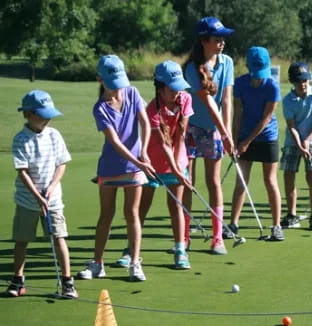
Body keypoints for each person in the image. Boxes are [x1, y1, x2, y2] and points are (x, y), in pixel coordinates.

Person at [77, 55, 154, 282]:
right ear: (100, 79)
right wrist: (140, 162)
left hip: (134, 167)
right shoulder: (100, 108)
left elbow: (145, 122)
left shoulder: (132, 92)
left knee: (132, 214)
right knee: (106, 215)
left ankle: (134, 263)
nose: (119, 89)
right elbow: (115, 142)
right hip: (111, 167)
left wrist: (145, 151)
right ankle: (97, 264)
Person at [121, 61, 193, 270]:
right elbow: (162, 144)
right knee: (142, 208)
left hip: (177, 161)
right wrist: (176, 168)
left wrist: (180, 168)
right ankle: (130, 249)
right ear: (160, 88)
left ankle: (180, 250)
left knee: (176, 206)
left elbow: (180, 138)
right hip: (152, 164)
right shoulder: (151, 109)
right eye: (172, 89)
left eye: (179, 87)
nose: (177, 93)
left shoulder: (185, 99)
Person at [6, 90, 77, 298]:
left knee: (59, 238)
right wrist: (37, 195)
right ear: (28, 114)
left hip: (53, 200)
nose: (46, 119)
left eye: (49, 116)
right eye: (42, 115)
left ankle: (67, 281)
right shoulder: (21, 139)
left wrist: (52, 187)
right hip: (27, 200)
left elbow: (61, 164)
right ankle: (17, 280)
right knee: (22, 240)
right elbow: (23, 172)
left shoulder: (54, 135)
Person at [183, 17, 235, 254]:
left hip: (214, 129)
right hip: (190, 128)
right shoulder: (192, 68)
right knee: (188, 183)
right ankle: (183, 236)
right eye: (217, 39)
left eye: (223, 38)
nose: (222, 42)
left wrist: (228, 131)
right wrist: (225, 134)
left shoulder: (227, 62)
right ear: (204, 41)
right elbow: (207, 102)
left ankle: (217, 237)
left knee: (213, 181)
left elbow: (226, 100)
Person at [223, 46, 284, 241]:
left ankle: (276, 226)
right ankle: (233, 224)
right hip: (243, 136)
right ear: (248, 67)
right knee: (241, 180)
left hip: (267, 137)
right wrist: (234, 140)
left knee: (270, 181)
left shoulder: (272, 86)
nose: (258, 78)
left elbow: (266, 118)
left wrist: (247, 142)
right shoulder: (240, 84)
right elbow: (237, 113)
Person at [280, 62, 312, 231]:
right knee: (289, 175)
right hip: (292, 141)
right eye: (299, 81)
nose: (303, 84)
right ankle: (292, 215)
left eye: (305, 80)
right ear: (293, 82)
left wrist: (307, 140)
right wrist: (299, 143)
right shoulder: (287, 100)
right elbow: (291, 125)